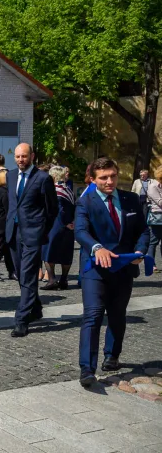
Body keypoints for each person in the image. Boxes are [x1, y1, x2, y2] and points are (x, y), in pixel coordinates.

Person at [75, 157, 149, 387]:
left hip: (124, 268)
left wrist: (139, 251)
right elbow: (80, 231)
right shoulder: (85, 201)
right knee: (93, 315)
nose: (109, 181)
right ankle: (87, 368)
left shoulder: (131, 199)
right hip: (95, 270)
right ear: (93, 179)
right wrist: (97, 248)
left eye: (113, 176)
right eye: (103, 177)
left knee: (117, 315)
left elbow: (143, 230)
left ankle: (112, 355)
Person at [6, 143, 58, 338]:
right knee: (21, 274)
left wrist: (42, 231)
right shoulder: (11, 176)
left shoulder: (43, 178)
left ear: (32, 156)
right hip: (14, 232)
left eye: (24, 156)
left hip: (33, 234)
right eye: (18, 156)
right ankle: (35, 308)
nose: (21, 160)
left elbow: (52, 209)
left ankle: (21, 319)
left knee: (28, 275)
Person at [41, 166, 76, 291]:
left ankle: (52, 279)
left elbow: (60, 210)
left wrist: (64, 223)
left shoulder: (55, 190)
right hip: (69, 227)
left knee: (47, 252)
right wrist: (72, 222)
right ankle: (64, 279)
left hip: (56, 225)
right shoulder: (68, 189)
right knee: (66, 254)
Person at [146, 166, 162, 273]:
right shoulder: (153, 186)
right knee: (153, 242)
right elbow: (160, 202)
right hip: (157, 218)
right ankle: (151, 264)